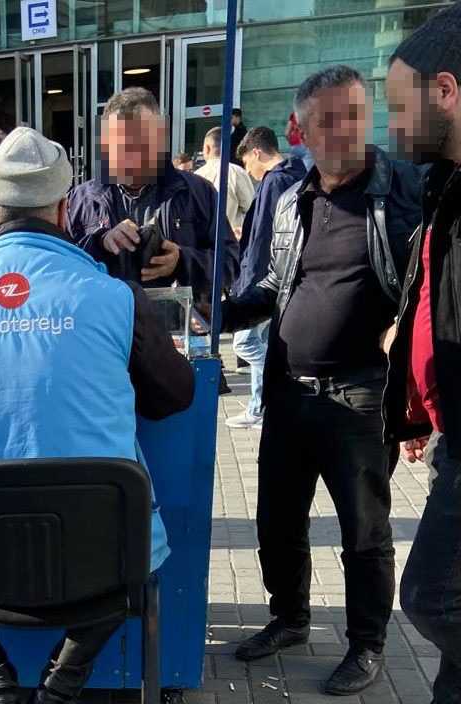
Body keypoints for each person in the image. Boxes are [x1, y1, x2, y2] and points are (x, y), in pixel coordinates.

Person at [0, 127, 196, 704]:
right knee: (135, 553)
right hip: (99, 565)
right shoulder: (116, 299)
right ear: (61, 211)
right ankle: (63, 683)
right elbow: (175, 395)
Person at [221, 65, 424, 695]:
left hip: (359, 395)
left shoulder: (404, 191)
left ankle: (367, 645)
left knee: (365, 532)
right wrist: (219, 312)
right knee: (277, 522)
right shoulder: (292, 198)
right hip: (289, 391)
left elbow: (428, 281)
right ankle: (290, 619)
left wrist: (405, 334)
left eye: (356, 116)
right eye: (329, 121)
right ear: (300, 129)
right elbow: (275, 283)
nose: (346, 132)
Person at [384, 9, 461, 702]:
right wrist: (414, 403)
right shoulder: (442, 184)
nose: (392, 126)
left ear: (446, 91)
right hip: (446, 435)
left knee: (432, 596)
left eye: (398, 107)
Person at [68, 87, 239, 308]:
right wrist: (100, 243)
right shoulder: (79, 201)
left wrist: (182, 261)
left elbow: (230, 264)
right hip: (103, 327)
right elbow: (59, 271)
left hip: (174, 327)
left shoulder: (199, 192)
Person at [225, 127, 308, 430]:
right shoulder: (297, 175)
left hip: (265, 279)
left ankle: (275, 393)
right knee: (261, 341)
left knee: (246, 343)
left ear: (256, 153)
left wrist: (246, 285)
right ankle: (259, 405)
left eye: (247, 163)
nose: (249, 172)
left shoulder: (274, 182)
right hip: (283, 276)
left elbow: (261, 239)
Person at [195, 126, 256, 234]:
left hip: (200, 241)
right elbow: (252, 208)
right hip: (231, 239)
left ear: (207, 148)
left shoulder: (195, 176)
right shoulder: (236, 172)